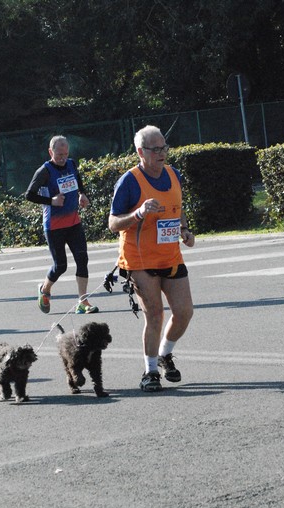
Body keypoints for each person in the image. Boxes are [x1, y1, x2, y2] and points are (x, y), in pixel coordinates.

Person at [109, 125, 195, 392]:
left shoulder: (174, 175)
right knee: (155, 314)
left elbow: (177, 208)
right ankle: (150, 371)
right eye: (155, 149)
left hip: (170, 256)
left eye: (164, 147)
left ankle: (165, 353)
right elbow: (113, 223)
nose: (161, 153)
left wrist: (184, 230)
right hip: (139, 260)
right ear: (140, 152)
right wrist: (138, 214)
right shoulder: (130, 181)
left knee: (184, 312)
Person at [25, 135, 98, 314]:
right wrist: (51, 200)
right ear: (51, 152)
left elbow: (78, 179)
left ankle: (83, 301)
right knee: (61, 266)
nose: (63, 157)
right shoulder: (45, 171)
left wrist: (82, 193)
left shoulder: (72, 164)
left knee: (82, 259)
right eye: (59, 154)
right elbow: (29, 194)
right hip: (54, 226)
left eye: (65, 153)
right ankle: (44, 289)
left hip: (73, 221)